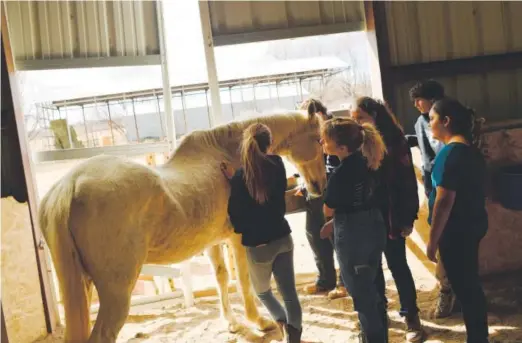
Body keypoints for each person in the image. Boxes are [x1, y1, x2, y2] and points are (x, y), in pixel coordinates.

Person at [221, 123, 303, 343]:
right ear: (270, 143)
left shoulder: (240, 177)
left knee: (263, 292)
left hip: (258, 247)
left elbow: (235, 213)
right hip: (283, 237)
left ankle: (283, 322)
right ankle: (293, 337)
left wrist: (234, 179)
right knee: (290, 293)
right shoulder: (277, 164)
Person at [351, 97, 424, 342]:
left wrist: (408, 218)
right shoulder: (355, 145)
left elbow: (408, 184)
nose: (357, 123)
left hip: (391, 216)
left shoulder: (395, 142)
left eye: (360, 118)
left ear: (375, 115)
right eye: (354, 119)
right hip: (367, 218)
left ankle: (411, 317)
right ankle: (380, 314)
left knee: (398, 266)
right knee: (373, 271)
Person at [319, 117, 388, 343]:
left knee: (363, 295)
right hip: (372, 224)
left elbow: (328, 208)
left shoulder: (340, 174)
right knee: (373, 286)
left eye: (326, 140)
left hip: (354, 233)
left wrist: (332, 219)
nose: (322, 142)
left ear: (342, 148)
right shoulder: (369, 160)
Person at [426, 97, 489, 343]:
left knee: (466, 289)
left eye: (432, 119)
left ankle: (477, 338)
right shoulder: (470, 150)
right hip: (472, 225)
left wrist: (432, 241)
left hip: (455, 231)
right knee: (470, 284)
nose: (430, 124)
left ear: (446, 121)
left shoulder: (450, 155)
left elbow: (443, 203)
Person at [408, 80, 456, 319]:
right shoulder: (420, 121)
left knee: (453, 238)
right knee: (442, 236)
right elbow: (427, 157)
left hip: (452, 182)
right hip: (434, 182)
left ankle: (451, 290)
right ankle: (448, 289)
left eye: (420, 100)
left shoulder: (451, 117)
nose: (417, 105)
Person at [297, 99, 347, 300]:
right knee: (315, 237)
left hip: (333, 194)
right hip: (314, 194)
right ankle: (325, 279)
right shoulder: (307, 136)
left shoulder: (336, 132)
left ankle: (344, 282)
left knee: (338, 240)